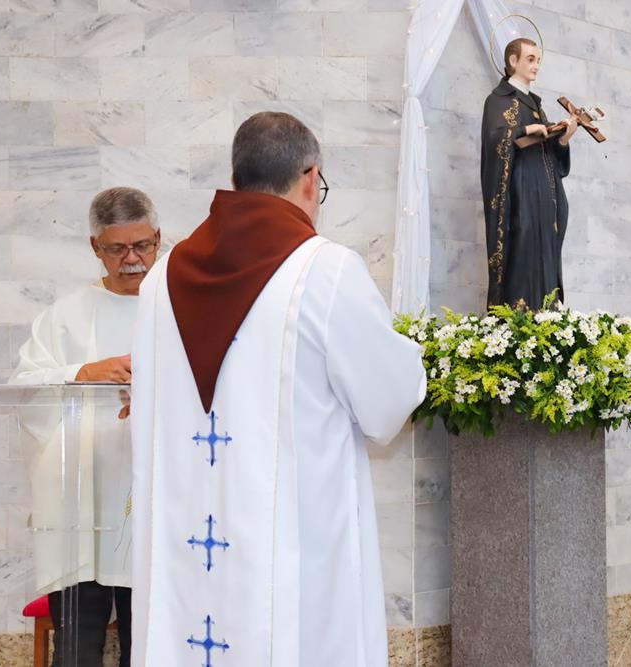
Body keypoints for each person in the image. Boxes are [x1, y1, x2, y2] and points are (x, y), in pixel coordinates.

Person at [129, 111, 427, 666]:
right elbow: (389, 402)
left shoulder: (160, 281)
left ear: (236, 179)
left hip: (186, 552)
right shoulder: (327, 271)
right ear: (311, 179)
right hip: (297, 561)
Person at [10, 187, 162, 667]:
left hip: (155, 504)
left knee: (150, 645)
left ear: (159, 239)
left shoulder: (180, 309)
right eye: (118, 249)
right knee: (77, 648)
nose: (132, 259)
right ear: (96, 247)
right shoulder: (65, 317)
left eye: (142, 245)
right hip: (80, 508)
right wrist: (81, 373)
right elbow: (24, 390)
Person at [481, 36, 579, 310]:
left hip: (545, 195)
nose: (536, 65)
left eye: (539, 60)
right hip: (520, 193)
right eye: (531, 59)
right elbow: (494, 139)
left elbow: (549, 154)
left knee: (545, 249)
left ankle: (546, 316)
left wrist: (562, 138)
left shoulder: (535, 105)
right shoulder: (499, 100)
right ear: (513, 61)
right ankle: (519, 317)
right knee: (523, 247)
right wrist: (524, 130)